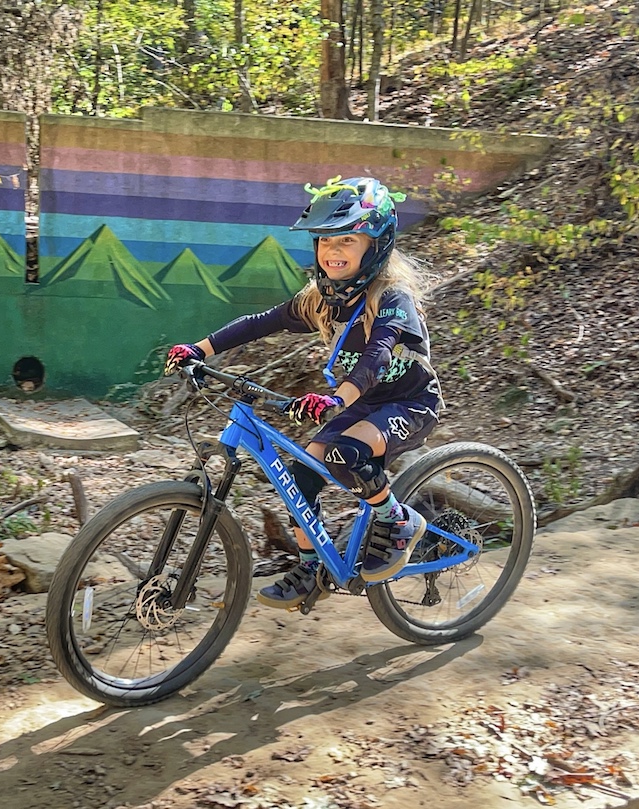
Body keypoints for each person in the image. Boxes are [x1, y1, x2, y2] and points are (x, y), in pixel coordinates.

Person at [164, 176, 443, 609]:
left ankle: (398, 520)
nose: (332, 250)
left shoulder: (392, 298)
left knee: (345, 452)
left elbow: (377, 356)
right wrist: (198, 349)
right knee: (303, 472)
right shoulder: (323, 298)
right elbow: (261, 322)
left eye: (347, 239)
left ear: (376, 245)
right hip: (365, 403)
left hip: (410, 402)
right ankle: (313, 567)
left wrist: (334, 400)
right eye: (324, 240)